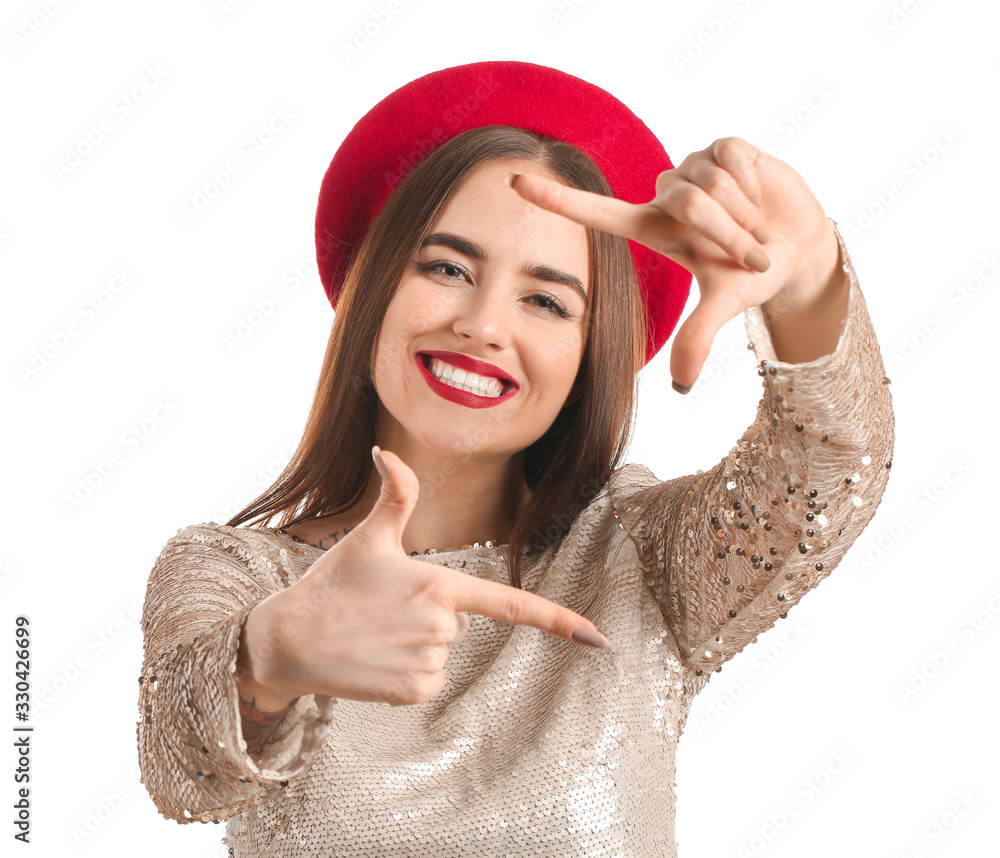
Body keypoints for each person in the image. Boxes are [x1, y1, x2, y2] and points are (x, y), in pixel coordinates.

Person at [136, 61, 895, 857]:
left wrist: (808, 285)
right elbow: (184, 772)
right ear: (372, 288)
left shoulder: (635, 560)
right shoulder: (230, 572)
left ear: (587, 357)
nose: (484, 324)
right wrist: (267, 660)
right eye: (446, 267)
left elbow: (830, 472)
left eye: (546, 300)